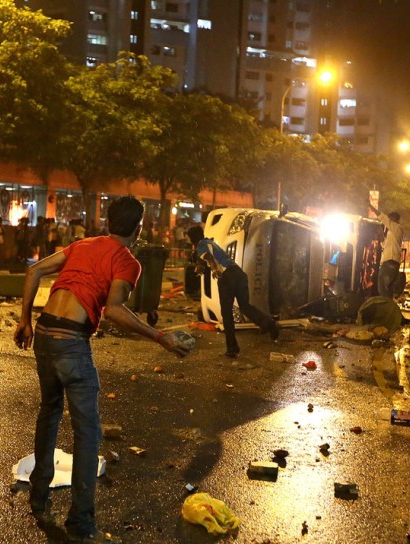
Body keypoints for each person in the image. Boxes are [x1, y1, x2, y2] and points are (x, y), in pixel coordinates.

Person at [14, 196, 190, 544]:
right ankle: (80, 523)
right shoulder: (127, 260)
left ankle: (39, 499)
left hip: (45, 333)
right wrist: (160, 337)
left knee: (48, 414)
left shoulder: (83, 244)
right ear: (138, 229)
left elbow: (33, 270)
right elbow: (114, 311)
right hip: (71, 342)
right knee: (87, 433)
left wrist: (25, 321)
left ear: (108, 220)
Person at [186, 225, 279, 358]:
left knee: (227, 313)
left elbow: (209, 258)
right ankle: (270, 324)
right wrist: (200, 267)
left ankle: (232, 348)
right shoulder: (209, 242)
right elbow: (206, 259)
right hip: (238, 273)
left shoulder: (200, 245)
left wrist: (215, 269)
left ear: (192, 239)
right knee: (245, 306)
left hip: (226, 277)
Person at [367, 200, 403, 298]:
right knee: (387, 290)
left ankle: (385, 308)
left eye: (390, 219)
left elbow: (382, 217)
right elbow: (385, 244)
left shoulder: (396, 227)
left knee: (382, 288)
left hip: (389, 262)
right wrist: (381, 236)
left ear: (395, 219)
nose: (388, 221)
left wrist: (371, 207)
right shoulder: (393, 232)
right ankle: (388, 309)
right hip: (391, 262)